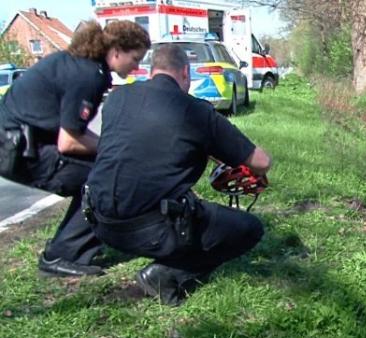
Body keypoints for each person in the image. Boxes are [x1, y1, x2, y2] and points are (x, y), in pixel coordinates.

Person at [85, 44, 271, 306]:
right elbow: (261, 162)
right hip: (149, 232)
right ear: (186, 73)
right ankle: (166, 276)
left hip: (100, 223)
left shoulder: (118, 98)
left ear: (151, 71)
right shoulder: (195, 111)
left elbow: (147, 146)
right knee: (250, 228)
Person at [0, 20, 150, 277]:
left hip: (18, 143)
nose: (136, 67)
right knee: (109, 180)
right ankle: (61, 254)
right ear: (116, 51)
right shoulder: (88, 75)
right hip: (17, 149)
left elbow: (75, 133)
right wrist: (116, 150)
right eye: (135, 58)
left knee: (107, 170)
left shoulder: (82, 65)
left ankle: (74, 246)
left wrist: (112, 147)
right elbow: (68, 143)